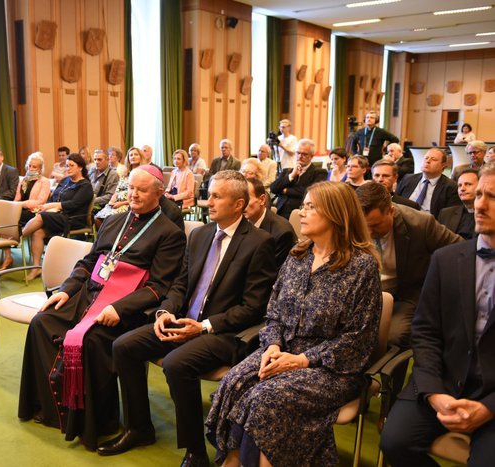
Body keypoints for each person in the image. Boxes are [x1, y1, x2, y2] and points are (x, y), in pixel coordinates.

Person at [99, 171, 277, 467]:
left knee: (176, 363)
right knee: (124, 346)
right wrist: (165, 312)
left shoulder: (259, 243)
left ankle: (195, 452)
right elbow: (180, 284)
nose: (209, 202)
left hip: (223, 333)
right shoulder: (200, 235)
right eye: (210, 194)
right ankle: (139, 428)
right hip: (184, 321)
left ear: (238, 204)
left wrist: (204, 326)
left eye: (217, 196)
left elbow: (253, 307)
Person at [205, 181, 382, 467]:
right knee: (233, 383)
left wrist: (302, 360)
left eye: (311, 207)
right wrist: (273, 345)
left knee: (265, 399)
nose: (302, 212)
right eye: (304, 205)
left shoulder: (361, 267)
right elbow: (273, 312)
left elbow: (357, 340)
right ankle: (235, 461)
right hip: (282, 352)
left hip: (331, 368)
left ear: (336, 214)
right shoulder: (298, 256)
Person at [18, 165, 186, 451]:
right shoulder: (113, 221)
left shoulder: (169, 233)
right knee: (41, 322)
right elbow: (88, 262)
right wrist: (66, 290)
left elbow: (158, 287)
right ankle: (52, 410)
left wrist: (120, 308)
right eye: (131, 188)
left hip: (126, 308)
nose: (133, 194)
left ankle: (93, 424)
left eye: (142, 190)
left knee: (93, 340)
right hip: (88, 295)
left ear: (159, 193)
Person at [379, 162, 495, 467]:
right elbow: (425, 331)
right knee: (394, 442)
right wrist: (433, 393)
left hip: (492, 392)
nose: (480, 205)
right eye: (479, 195)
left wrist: (489, 407)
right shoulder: (447, 259)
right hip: (442, 379)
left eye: (492, 197)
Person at [355, 182, 461, 348]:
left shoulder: (421, 224)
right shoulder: (351, 223)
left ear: (391, 211)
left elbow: (460, 252)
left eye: (375, 226)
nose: (368, 232)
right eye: (364, 226)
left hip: (405, 294)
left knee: (391, 338)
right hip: (364, 294)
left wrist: (438, 285)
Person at [21, 153, 94, 281]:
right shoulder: (65, 180)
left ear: (80, 167)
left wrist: (52, 206)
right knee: (37, 232)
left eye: (71, 165)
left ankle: (18, 237)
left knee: (40, 217)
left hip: (73, 219)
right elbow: (53, 197)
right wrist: (47, 206)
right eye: (67, 165)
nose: (68, 168)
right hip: (57, 215)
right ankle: (36, 268)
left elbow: (73, 204)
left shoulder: (85, 185)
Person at [245, 178, 297, 269]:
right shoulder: (240, 221)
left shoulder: (282, 233)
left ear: (262, 200)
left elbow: (273, 272)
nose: (241, 204)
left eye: (247, 199)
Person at [270, 138, 327, 219]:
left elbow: (310, 192)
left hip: (301, 212)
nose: (300, 156)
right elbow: (273, 188)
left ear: (311, 156)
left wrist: (286, 190)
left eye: (304, 154)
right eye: (298, 153)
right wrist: (292, 175)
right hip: (280, 212)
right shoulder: (287, 171)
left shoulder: (319, 172)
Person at [396, 147, 460, 218]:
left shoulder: (451, 187)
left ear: (443, 165)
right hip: (402, 219)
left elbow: (449, 217)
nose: (428, 161)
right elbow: (395, 201)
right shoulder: (408, 179)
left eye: (433, 159)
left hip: (430, 222)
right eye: (426, 158)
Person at [94, 147, 143, 227]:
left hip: (128, 203)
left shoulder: (143, 174)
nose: (133, 157)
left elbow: (139, 195)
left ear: (141, 157)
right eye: (131, 155)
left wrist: (121, 203)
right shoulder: (126, 174)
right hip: (116, 202)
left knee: (110, 219)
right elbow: (117, 191)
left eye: (136, 154)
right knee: (97, 218)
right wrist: (111, 201)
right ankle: (106, 235)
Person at [438, 168, 478, 239]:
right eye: (460, 185)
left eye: (468, 184)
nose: (462, 189)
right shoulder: (446, 214)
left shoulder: (490, 215)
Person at [14, 152, 51, 226]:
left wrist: (20, 204)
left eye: (34, 167)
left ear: (40, 169)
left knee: (13, 215)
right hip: (20, 208)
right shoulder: (23, 180)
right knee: (5, 211)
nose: (30, 169)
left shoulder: (45, 181)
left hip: (34, 212)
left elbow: (40, 202)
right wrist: (13, 206)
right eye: (29, 166)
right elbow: (17, 199)